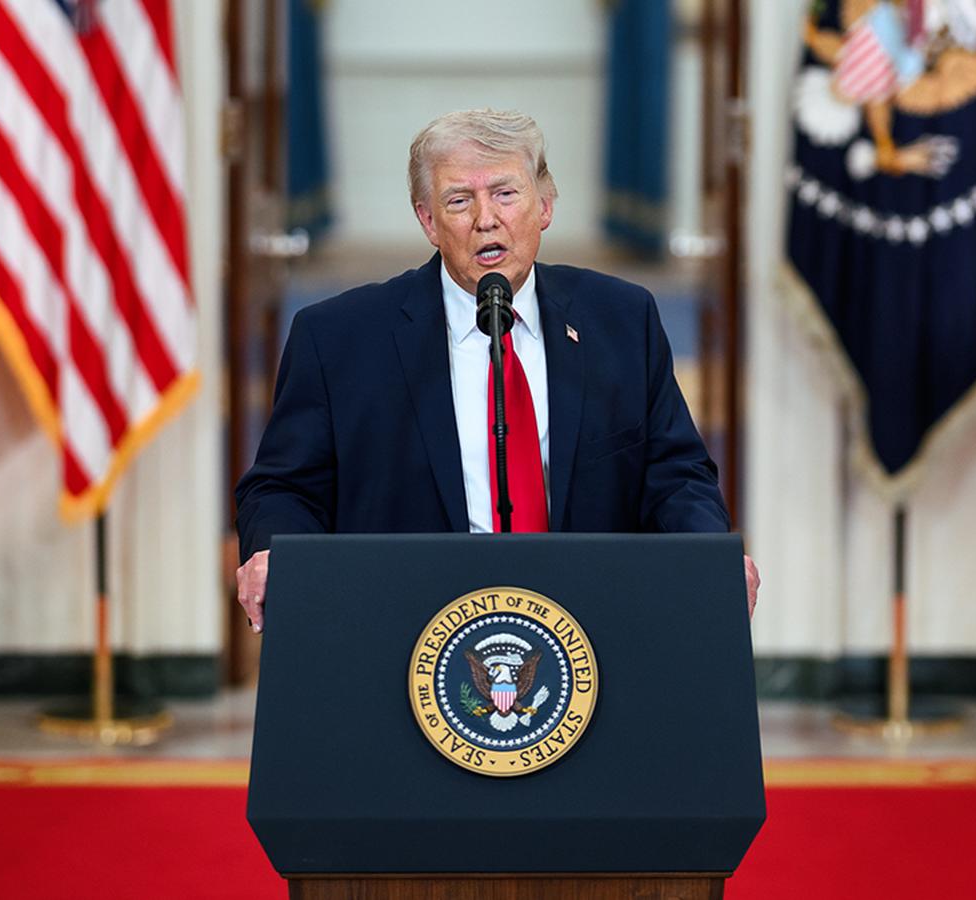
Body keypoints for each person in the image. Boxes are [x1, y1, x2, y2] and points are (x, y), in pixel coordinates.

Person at [234, 109, 758, 631]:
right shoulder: (339, 340)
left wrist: (709, 556)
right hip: (403, 627)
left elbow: (676, 476)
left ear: (545, 205)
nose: (486, 219)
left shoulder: (621, 320)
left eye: (506, 194)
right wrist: (275, 554)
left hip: (591, 626)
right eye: (459, 200)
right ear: (428, 220)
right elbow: (282, 489)